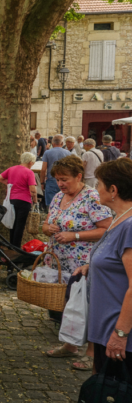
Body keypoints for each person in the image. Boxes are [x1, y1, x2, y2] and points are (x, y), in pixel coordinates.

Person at [43, 155, 112, 369]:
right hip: (59, 262)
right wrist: (47, 229)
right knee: (68, 304)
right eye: (57, 180)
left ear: (79, 176)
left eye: (65, 179)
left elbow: (107, 229)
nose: (61, 184)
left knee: (87, 305)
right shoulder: (57, 197)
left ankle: (91, 354)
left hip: (83, 263)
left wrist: (75, 236)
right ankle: (70, 344)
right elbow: (46, 224)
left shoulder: (91, 196)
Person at [76, 158, 132, 377]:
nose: (95, 188)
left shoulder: (129, 226)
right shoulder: (119, 219)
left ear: (113, 190)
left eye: (98, 183)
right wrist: (93, 266)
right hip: (105, 327)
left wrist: (120, 333)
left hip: (120, 333)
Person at [0, 152, 38, 246]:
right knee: (20, 225)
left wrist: (9, 184)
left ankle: (12, 245)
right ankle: (16, 247)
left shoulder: (12, 169)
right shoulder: (29, 172)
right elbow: (33, 189)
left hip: (11, 199)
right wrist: (35, 200)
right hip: (24, 200)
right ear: (30, 162)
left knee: (12, 223)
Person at [41, 134, 71, 207]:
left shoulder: (47, 153)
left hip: (51, 180)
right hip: (64, 180)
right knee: (64, 203)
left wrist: (42, 183)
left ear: (52, 143)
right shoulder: (68, 153)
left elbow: (43, 169)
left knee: (51, 205)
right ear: (62, 143)